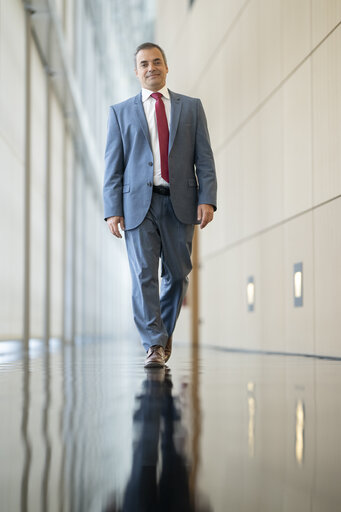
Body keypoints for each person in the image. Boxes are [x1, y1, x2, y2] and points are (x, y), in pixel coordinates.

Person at [103, 42, 217, 368]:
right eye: (144, 64)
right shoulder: (120, 112)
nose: (151, 68)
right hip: (138, 204)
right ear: (136, 71)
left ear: (166, 67)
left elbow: (204, 158)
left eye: (156, 62)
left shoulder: (191, 107)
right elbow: (113, 164)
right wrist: (113, 209)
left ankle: (163, 333)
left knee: (178, 275)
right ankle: (154, 343)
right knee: (143, 275)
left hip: (180, 202)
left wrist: (207, 198)